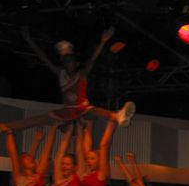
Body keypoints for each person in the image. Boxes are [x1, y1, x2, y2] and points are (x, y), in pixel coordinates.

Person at [1, 27, 135, 131]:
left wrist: (103, 41)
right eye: (65, 61)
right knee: (38, 119)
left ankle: (117, 116)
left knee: (93, 110)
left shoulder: (82, 73)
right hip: (67, 110)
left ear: (76, 63)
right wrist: (29, 40)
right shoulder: (61, 73)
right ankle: (6, 127)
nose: (67, 63)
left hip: (82, 109)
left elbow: (93, 59)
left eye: (70, 61)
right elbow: (43, 58)